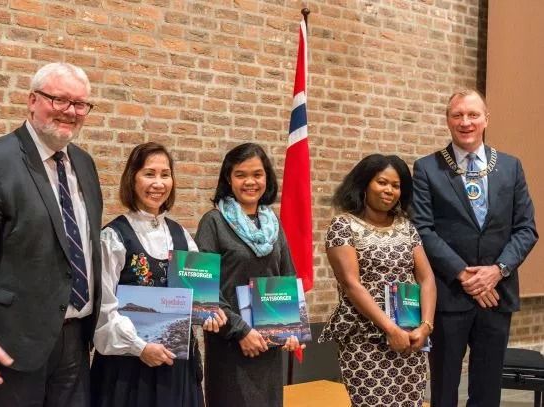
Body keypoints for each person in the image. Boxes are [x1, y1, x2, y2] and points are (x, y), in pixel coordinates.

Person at [0, 62, 103, 406]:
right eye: (59, 100)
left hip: (74, 340)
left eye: (80, 104)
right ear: (32, 100)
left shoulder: (85, 165)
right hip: (7, 343)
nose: (70, 111)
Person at [412, 89, 538, 406]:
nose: (465, 122)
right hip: (449, 296)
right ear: (447, 120)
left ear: (486, 119)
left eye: (473, 115)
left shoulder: (510, 167)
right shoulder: (427, 168)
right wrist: (464, 274)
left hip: (497, 295)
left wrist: (497, 271)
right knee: (443, 391)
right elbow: (422, 229)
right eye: (457, 115)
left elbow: (526, 229)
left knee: (487, 392)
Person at [90, 142, 227, 407]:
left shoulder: (181, 235)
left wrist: (211, 313)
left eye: (165, 174)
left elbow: (199, 297)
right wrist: (139, 347)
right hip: (128, 370)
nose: (158, 183)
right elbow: (104, 311)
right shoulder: (113, 237)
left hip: (176, 367)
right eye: (149, 173)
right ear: (132, 178)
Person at [318, 154, 436, 406]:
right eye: (382, 182)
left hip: (409, 336)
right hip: (365, 336)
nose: (389, 190)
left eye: (396, 185)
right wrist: (390, 329)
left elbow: (426, 279)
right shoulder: (343, 226)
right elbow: (351, 284)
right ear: (364, 183)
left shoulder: (407, 227)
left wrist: (425, 327)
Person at [195, 142, 303, 407]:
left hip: (268, 345)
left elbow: (286, 276)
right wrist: (241, 332)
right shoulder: (213, 222)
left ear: (267, 178)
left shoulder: (272, 223)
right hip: (230, 344)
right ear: (228, 179)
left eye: (257, 174)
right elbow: (202, 288)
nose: (250, 182)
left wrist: (292, 329)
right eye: (241, 175)